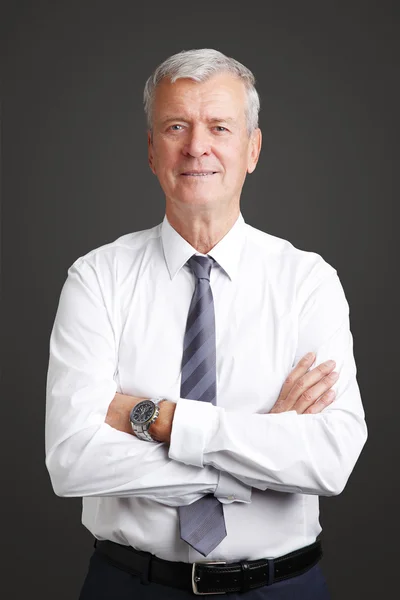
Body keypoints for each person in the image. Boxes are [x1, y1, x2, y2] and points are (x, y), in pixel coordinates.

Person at [45, 48, 367, 599]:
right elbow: (73, 461)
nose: (197, 146)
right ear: (152, 150)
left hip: (281, 588)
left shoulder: (308, 281)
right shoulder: (96, 278)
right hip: (131, 586)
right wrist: (261, 448)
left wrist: (165, 422)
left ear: (252, 149)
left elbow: (329, 460)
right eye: (176, 126)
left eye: (220, 126)